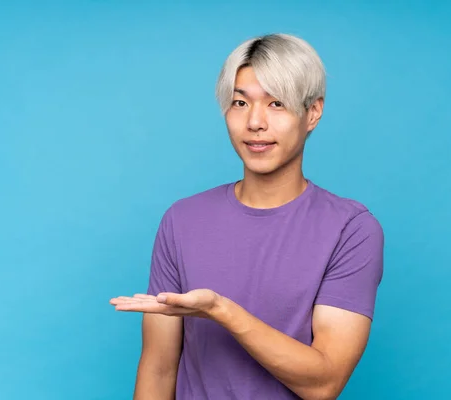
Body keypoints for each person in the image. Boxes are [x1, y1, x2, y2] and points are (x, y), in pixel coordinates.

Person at [110, 33, 384, 400]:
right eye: (240, 102)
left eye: (276, 103)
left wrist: (221, 311)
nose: (255, 122)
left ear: (313, 113)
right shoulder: (182, 220)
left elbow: (323, 383)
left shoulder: (351, 230)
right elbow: (159, 369)